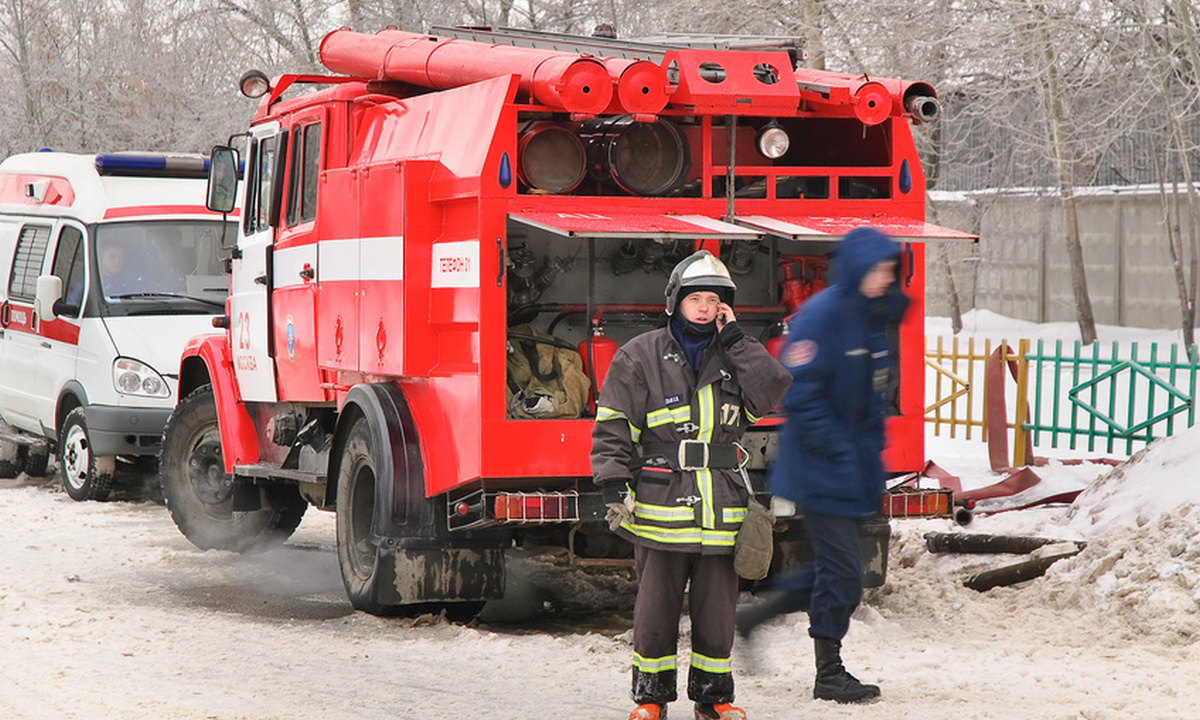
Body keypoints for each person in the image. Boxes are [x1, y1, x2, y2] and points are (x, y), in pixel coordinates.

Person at [591, 250, 792, 720]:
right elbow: (614, 425)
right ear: (675, 302)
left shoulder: (734, 354)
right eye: (695, 298)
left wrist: (738, 340)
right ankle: (650, 700)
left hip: (721, 506)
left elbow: (775, 390)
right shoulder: (639, 355)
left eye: (713, 300)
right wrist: (614, 484)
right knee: (655, 610)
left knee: (717, 611)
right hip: (660, 505)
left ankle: (713, 697)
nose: (703, 308)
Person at [735, 226, 909, 704]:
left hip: (852, 467)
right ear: (856, 270)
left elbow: (871, 392)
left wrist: (869, 453)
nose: (884, 279)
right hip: (822, 467)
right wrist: (841, 451)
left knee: (836, 569)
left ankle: (753, 618)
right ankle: (828, 672)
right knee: (845, 574)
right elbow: (803, 396)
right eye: (877, 270)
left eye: (889, 271)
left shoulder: (869, 316)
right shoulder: (821, 317)